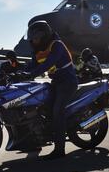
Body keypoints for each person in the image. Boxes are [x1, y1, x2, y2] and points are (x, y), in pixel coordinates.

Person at [26, 21, 78, 160]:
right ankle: (35, 140)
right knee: (40, 108)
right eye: (32, 39)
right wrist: (12, 67)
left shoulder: (56, 45)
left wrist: (32, 74)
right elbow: (30, 66)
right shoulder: (38, 51)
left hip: (68, 83)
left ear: (44, 36)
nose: (34, 42)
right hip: (55, 83)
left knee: (57, 111)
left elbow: (49, 62)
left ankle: (59, 149)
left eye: (36, 38)